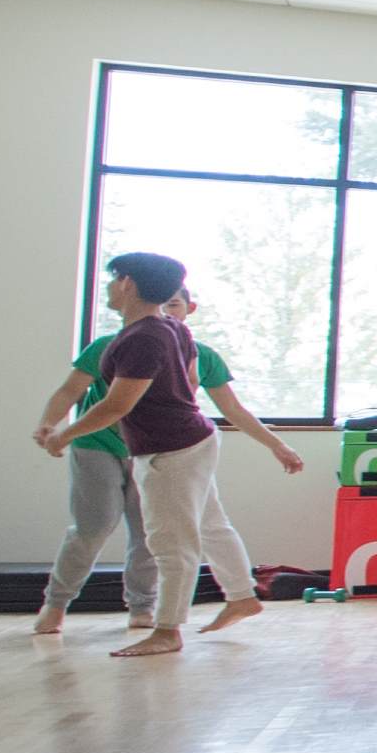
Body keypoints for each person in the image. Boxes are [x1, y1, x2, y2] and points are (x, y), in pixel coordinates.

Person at [37, 252, 283, 657]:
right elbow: (181, 386)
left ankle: (167, 631)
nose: (109, 286)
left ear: (128, 283)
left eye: (114, 279)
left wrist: (63, 436)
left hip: (172, 450)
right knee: (208, 524)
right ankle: (241, 597)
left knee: (171, 543)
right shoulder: (170, 329)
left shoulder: (142, 339)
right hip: (191, 441)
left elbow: (117, 406)